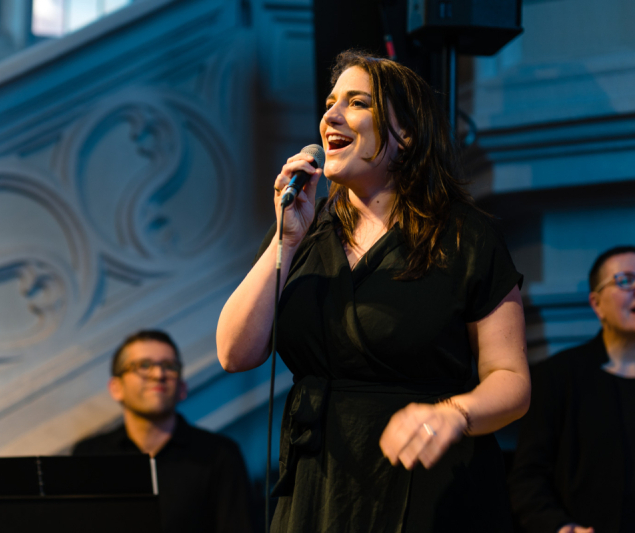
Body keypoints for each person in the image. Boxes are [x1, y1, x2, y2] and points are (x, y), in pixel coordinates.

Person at [216, 50, 531, 532]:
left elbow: (511, 379)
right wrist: (287, 238)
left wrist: (455, 413)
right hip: (319, 486)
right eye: (330, 103)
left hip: (427, 482)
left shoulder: (465, 236)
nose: (331, 116)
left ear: (405, 134)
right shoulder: (304, 229)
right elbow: (235, 353)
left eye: (357, 102)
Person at [73, 330, 254, 533]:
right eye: (143, 365)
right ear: (116, 388)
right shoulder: (89, 455)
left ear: (182, 388)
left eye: (169, 366)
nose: (159, 375)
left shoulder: (220, 454)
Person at [509, 246, 635, 533]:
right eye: (625, 280)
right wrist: (561, 527)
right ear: (596, 304)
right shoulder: (558, 376)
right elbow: (528, 478)